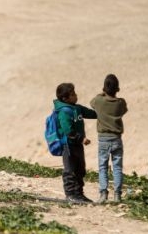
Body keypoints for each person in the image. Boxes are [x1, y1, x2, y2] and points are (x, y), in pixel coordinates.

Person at [53, 82, 97, 204]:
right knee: (70, 169)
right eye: (72, 95)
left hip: (77, 145)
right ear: (65, 98)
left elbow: (92, 114)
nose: (76, 96)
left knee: (80, 169)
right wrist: (81, 139)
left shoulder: (77, 108)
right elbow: (68, 130)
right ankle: (70, 194)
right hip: (68, 145)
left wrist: (105, 110)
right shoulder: (64, 111)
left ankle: (79, 194)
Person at [90, 74, 128, 203]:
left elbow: (92, 102)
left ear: (104, 88)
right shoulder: (121, 102)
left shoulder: (99, 101)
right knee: (117, 167)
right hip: (117, 139)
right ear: (117, 88)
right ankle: (117, 195)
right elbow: (124, 111)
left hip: (103, 139)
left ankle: (103, 194)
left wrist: (102, 93)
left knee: (103, 167)